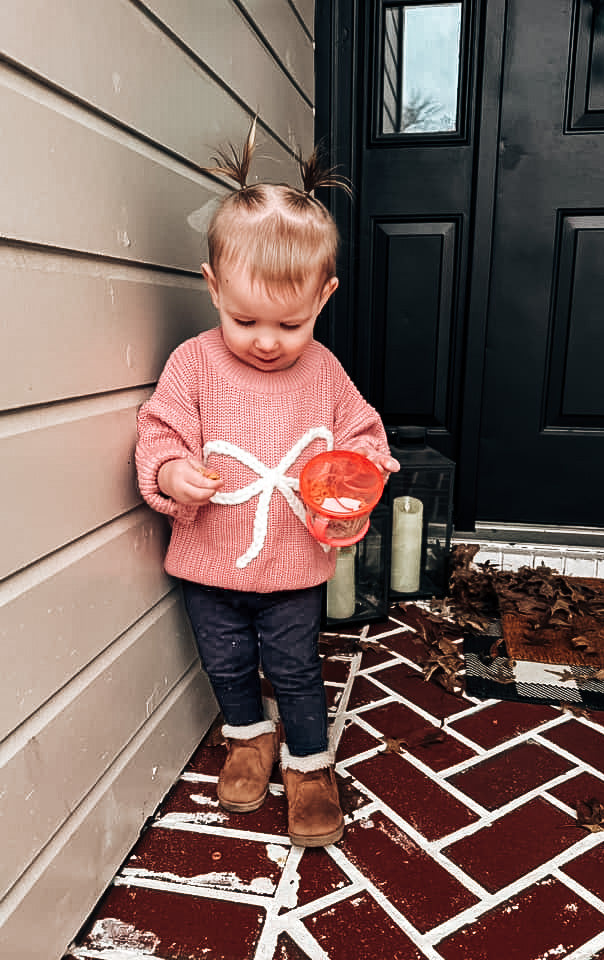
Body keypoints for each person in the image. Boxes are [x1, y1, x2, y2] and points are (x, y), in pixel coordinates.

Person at [135, 120, 398, 848]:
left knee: (294, 665)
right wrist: (169, 472)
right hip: (209, 565)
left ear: (325, 296)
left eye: (290, 322)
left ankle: (309, 765)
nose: (265, 339)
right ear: (213, 287)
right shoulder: (192, 365)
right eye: (244, 317)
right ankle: (248, 736)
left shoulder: (326, 374)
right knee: (224, 659)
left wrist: (357, 482)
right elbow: (158, 429)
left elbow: (364, 436)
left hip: (291, 566)